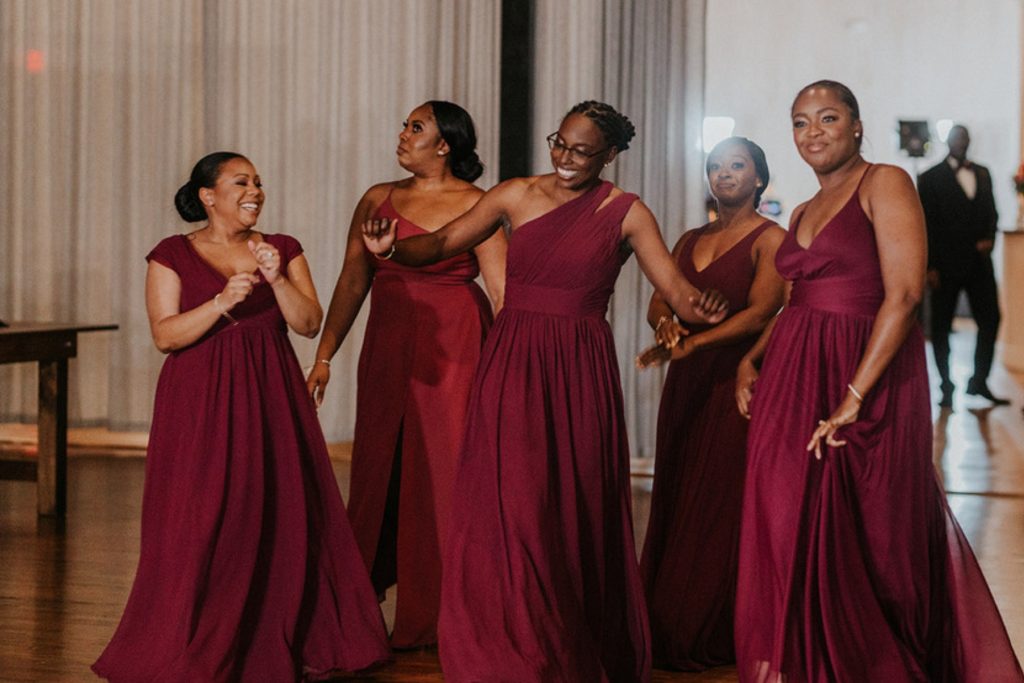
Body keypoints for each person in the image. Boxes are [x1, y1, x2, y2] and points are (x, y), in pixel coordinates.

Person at [361, 101, 728, 682]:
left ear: (609, 157)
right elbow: (441, 244)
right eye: (559, 143)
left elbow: (680, 294)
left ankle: (566, 640)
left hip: (580, 367)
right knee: (513, 505)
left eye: (581, 151)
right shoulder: (513, 194)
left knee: (570, 507)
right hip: (512, 361)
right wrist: (393, 250)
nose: (564, 158)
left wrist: (701, 308)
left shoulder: (627, 213)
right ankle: (510, 644)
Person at [733, 81, 1023, 682]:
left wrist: (853, 397)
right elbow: (794, 298)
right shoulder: (805, 209)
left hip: (866, 370)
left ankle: (864, 661)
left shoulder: (885, 181)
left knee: (872, 523)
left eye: (828, 117)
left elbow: (906, 295)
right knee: (785, 510)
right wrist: (752, 357)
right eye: (800, 122)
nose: (813, 132)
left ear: (857, 125)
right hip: (792, 375)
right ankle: (799, 655)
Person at [93, 152, 390, 682]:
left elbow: (307, 322)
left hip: (271, 395)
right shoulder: (170, 254)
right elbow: (165, 335)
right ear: (208, 196)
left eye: (257, 181)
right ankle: (190, 640)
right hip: (199, 400)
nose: (255, 189)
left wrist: (277, 281)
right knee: (201, 518)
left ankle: (275, 634)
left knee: (279, 513)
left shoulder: (283, 249)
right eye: (240, 182)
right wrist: (219, 303)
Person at [305, 101, 505, 649]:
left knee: (441, 474)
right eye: (404, 124)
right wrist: (324, 355)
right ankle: (360, 606)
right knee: (377, 467)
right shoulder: (377, 197)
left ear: (445, 146)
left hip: (456, 345)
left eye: (415, 127)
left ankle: (439, 616)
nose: (402, 134)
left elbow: (502, 291)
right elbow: (352, 278)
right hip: (389, 340)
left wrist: (513, 374)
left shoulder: (479, 204)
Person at [635, 137, 785, 670]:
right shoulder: (689, 237)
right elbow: (659, 299)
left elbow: (765, 311)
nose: (724, 175)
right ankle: (666, 610)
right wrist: (668, 324)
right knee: (677, 491)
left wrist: (698, 340)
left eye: (737, 166)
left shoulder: (772, 239)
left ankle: (711, 621)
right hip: (687, 380)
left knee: (721, 497)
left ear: (759, 179)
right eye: (715, 167)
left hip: (735, 381)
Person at [918, 124, 1006, 408]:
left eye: (966, 138)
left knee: (991, 319)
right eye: (957, 138)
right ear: (948, 141)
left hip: (980, 264)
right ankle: (946, 386)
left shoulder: (983, 172)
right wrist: (929, 265)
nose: (962, 143)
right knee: (941, 326)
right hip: (944, 266)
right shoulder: (930, 178)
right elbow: (926, 224)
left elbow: (992, 212)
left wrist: (990, 239)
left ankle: (978, 381)